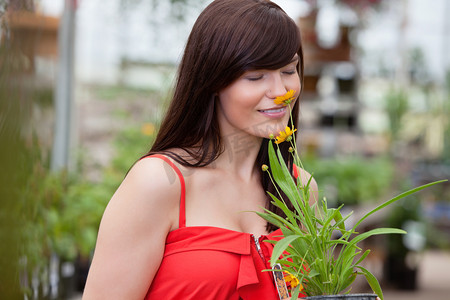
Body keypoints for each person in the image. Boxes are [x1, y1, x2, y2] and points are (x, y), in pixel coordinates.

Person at [82, 0, 318, 299]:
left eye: (288, 70)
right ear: (213, 81)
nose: (281, 92)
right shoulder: (159, 182)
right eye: (255, 77)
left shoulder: (300, 188)